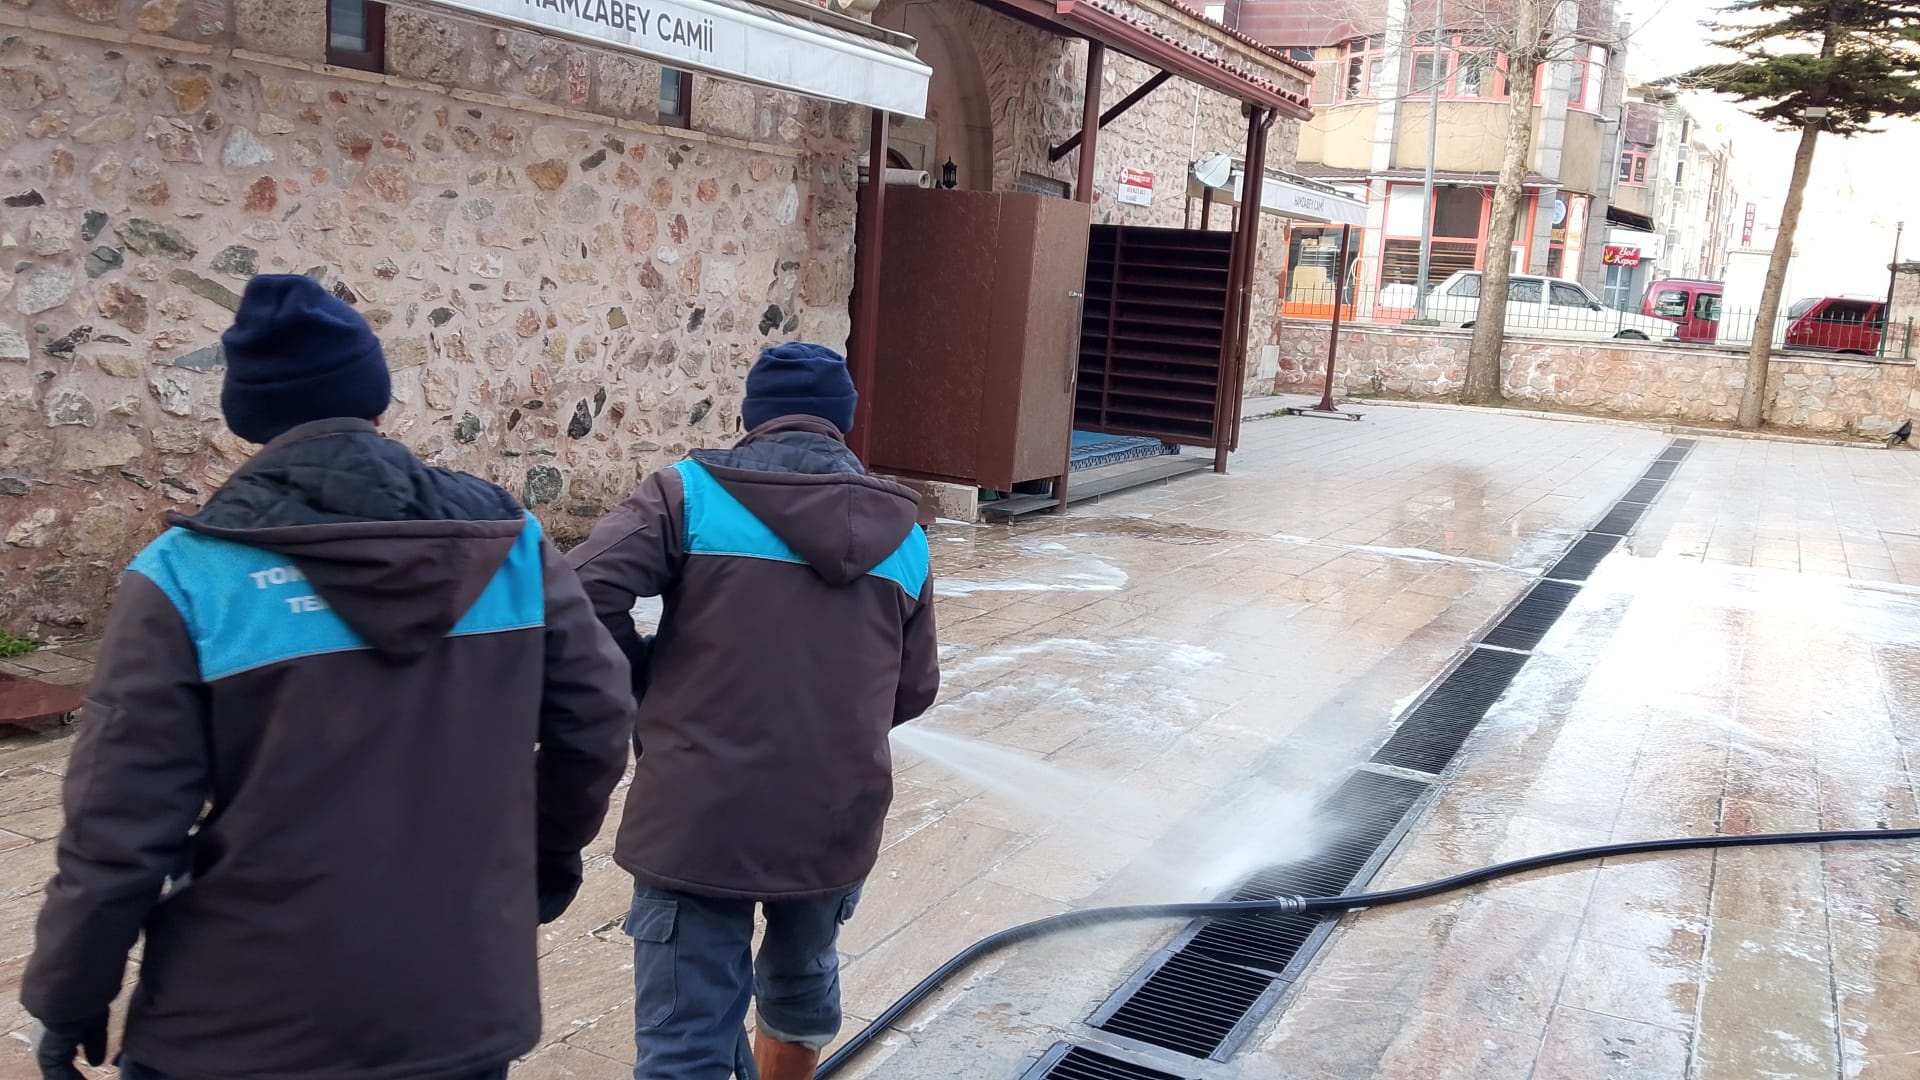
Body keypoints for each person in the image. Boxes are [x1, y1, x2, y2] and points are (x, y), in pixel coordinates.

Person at [22, 275, 636, 1080]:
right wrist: (537, 859)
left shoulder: (185, 577)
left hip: (239, 1023)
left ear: (248, 417)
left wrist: (70, 992)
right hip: (458, 1007)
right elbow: (597, 720)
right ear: (375, 397)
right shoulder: (513, 548)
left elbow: (119, 823)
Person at [567, 343, 941, 1080]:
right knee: (801, 987)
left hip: (699, 817)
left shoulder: (689, 496)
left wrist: (647, 681)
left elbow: (579, 591)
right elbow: (915, 687)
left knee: (686, 1038)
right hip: (833, 815)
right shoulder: (905, 533)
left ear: (750, 418)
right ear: (844, 423)